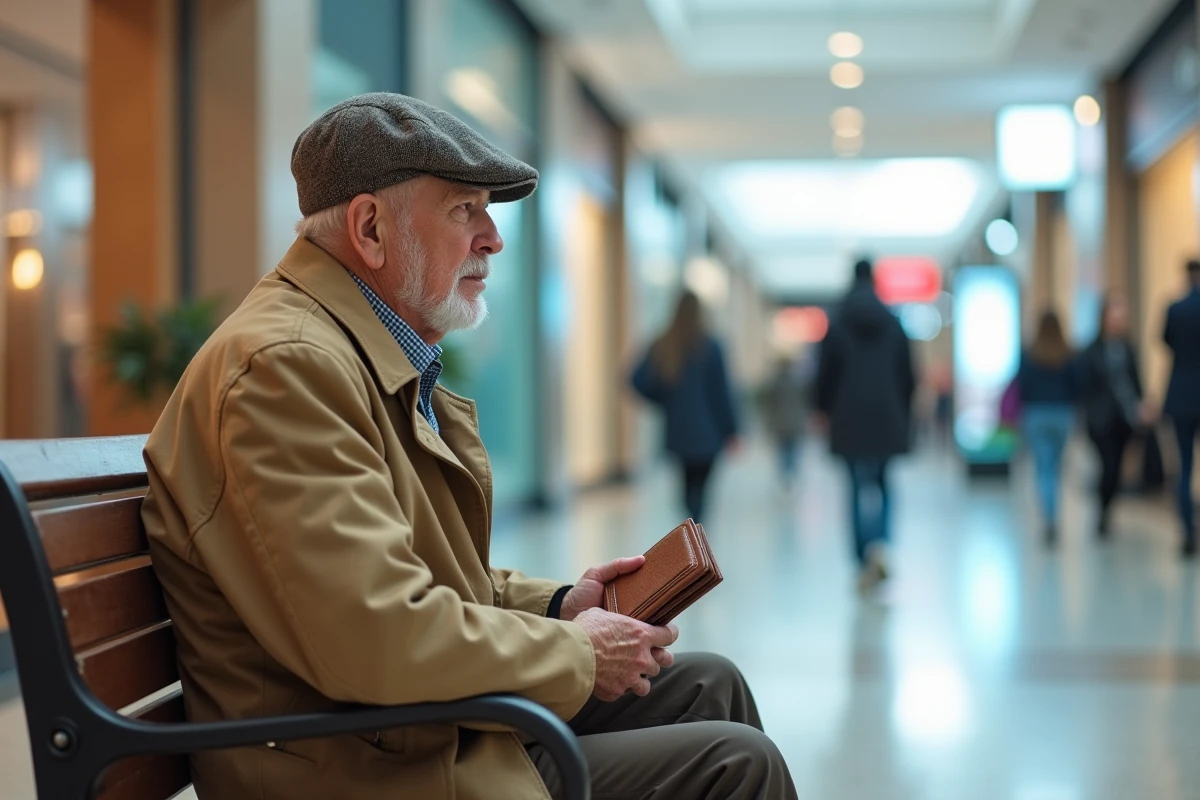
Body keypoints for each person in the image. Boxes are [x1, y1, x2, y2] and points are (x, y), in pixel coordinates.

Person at [140, 94, 795, 800]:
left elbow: (413, 584)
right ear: (370, 228)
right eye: (464, 210)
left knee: (709, 684)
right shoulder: (286, 367)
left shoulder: (354, 354)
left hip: (411, 728)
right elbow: (374, 632)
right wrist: (578, 652)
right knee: (736, 765)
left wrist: (560, 609)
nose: (493, 238)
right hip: (363, 766)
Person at [815, 259, 916, 592]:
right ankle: (881, 545)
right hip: (888, 416)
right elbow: (908, 375)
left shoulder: (838, 323)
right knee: (885, 483)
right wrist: (904, 409)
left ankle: (862, 559)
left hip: (849, 418)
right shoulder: (893, 322)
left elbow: (824, 376)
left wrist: (822, 409)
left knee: (857, 487)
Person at [632, 292, 740, 524]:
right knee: (701, 489)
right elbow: (721, 394)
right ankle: (696, 532)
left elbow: (636, 379)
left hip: (678, 432)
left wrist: (664, 401)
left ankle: (691, 527)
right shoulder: (711, 346)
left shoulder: (664, 344)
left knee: (687, 487)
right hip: (708, 433)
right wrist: (731, 431)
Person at [1079, 293, 1149, 538]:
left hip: (1124, 418)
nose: (1118, 321)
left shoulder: (1129, 349)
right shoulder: (1091, 350)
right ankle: (1103, 511)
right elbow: (1084, 386)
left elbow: (1136, 381)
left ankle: (1107, 510)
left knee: (1117, 467)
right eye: (1114, 316)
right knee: (1107, 465)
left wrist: (1142, 405)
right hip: (1100, 419)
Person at [1017, 311, 1077, 546]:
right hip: (1062, 414)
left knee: (1043, 469)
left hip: (1036, 415)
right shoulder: (1068, 355)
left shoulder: (1029, 354)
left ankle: (1049, 517)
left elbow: (1021, 384)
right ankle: (1054, 514)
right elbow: (1077, 385)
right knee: (1056, 467)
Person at [1164, 259, 1200, 557]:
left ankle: (1188, 531)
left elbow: (1166, 342)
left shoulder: (1176, 309)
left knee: (1184, 467)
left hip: (1181, 398)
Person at [762, 352, 812, 489]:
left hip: (781, 423)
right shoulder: (799, 382)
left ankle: (785, 477)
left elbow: (770, 406)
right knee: (794, 451)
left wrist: (769, 424)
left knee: (783, 452)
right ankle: (792, 476)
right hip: (796, 423)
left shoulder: (775, 383)